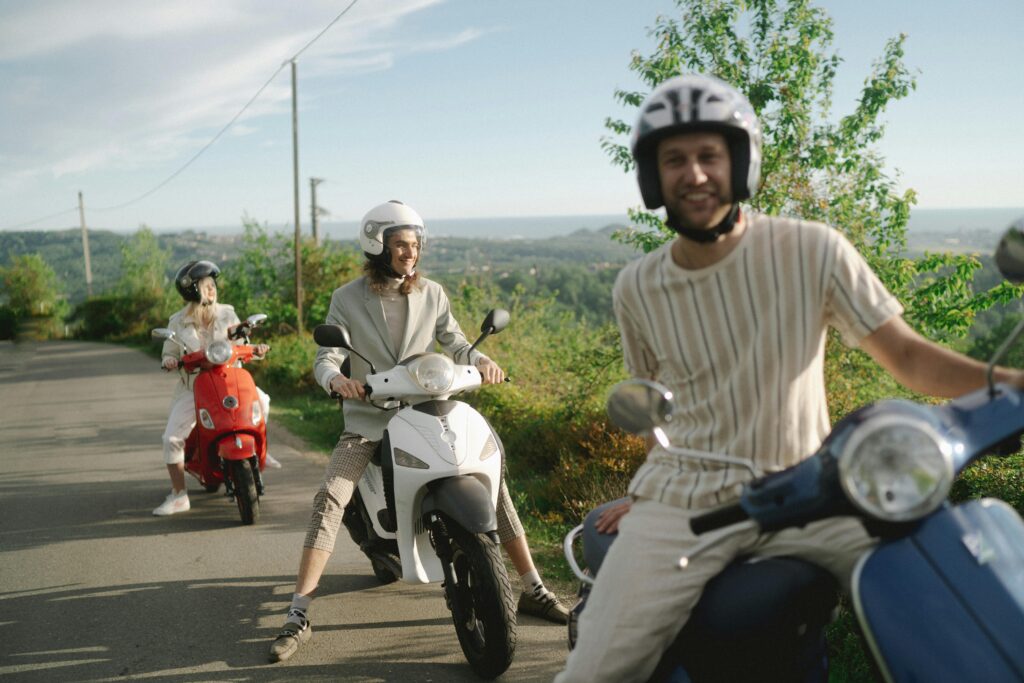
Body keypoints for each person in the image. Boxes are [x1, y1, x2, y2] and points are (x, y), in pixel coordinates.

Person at [556, 74, 1024, 682]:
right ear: (653, 175)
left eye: (709, 155)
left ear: (740, 162)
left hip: (813, 490)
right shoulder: (637, 286)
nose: (694, 173)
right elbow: (653, 406)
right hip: (686, 502)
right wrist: (645, 492)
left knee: (957, 588)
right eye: (675, 159)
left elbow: (906, 358)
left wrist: (1011, 383)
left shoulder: (812, 250)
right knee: (596, 672)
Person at [267, 200, 568, 663]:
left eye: (415, 244)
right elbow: (326, 357)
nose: (410, 253)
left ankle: (532, 586)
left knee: (495, 483)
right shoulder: (347, 298)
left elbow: (457, 342)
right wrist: (337, 380)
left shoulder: (434, 294)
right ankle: (299, 611)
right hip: (370, 418)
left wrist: (481, 360)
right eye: (401, 245)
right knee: (330, 495)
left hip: (429, 410)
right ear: (378, 247)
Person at [154, 260, 275, 517]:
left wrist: (256, 348)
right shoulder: (178, 322)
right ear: (193, 290)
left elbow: (242, 340)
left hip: (230, 379)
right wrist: (169, 360)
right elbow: (169, 351)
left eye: (212, 284)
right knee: (172, 438)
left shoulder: (227, 313)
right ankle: (178, 495)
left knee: (262, 402)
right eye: (206, 285)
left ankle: (259, 450)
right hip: (194, 387)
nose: (212, 289)